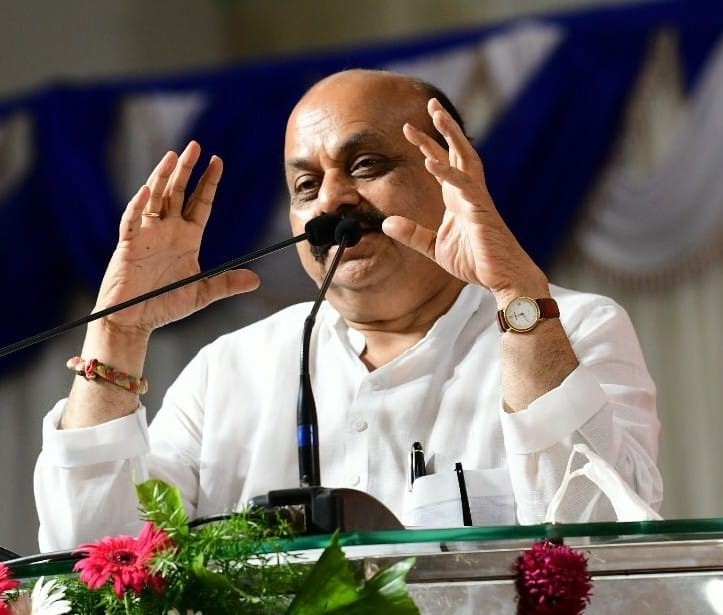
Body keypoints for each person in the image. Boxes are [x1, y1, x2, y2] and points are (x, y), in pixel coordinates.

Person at [34, 69, 662, 552]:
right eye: (306, 186)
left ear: (454, 177)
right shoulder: (228, 371)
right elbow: (96, 562)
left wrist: (520, 299)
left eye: (366, 165)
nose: (332, 199)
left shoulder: (575, 329)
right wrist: (117, 329)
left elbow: (600, 538)